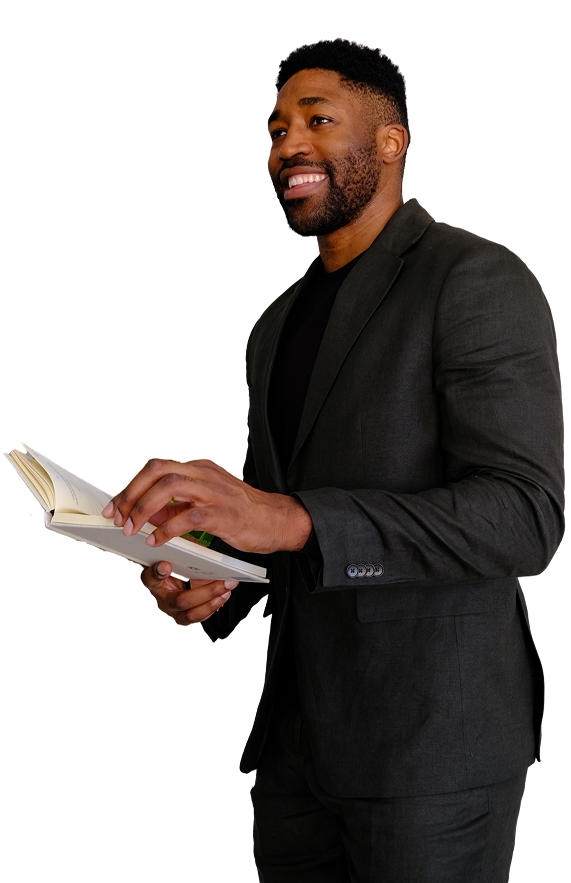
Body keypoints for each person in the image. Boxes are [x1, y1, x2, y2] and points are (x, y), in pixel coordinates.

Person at [102, 39, 564, 882]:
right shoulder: (274, 322)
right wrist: (201, 569)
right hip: (292, 748)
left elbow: (523, 516)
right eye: (275, 130)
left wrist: (295, 517)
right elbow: (270, 531)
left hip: (432, 752)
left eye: (317, 120)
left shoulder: (474, 276)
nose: (287, 147)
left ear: (391, 142)